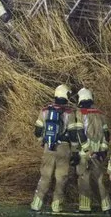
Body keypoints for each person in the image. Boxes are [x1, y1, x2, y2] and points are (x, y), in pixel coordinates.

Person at [30, 84, 82, 214]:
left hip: (49, 147)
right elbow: (73, 134)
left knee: (45, 176)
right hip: (64, 148)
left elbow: (37, 130)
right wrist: (75, 151)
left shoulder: (45, 110)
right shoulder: (70, 113)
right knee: (61, 178)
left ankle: (36, 204)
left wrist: (43, 142)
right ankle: (57, 206)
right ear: (66, 95)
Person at [74, 88, 111, 214]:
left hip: (85, 154)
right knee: (99, 180)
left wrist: (86, 149)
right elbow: (107, 134)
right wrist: (103, 150)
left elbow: (79, 133)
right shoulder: (100, 113)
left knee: (84, 179)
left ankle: (85, 207)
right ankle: (106, 206)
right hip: (98, 154)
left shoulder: (80, 113)